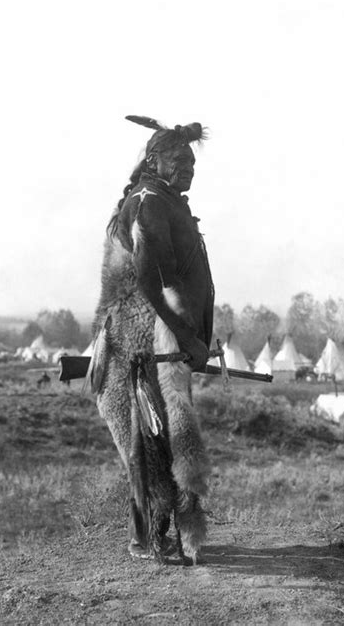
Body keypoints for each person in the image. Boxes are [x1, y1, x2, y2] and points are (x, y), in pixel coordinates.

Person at [91, 115, 215, 564]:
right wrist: (184, 334)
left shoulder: (166, 201)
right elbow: (146, 279)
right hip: (138, 345)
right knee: (150, 438)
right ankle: (151, 539)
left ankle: (165, 536)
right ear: (153, 160)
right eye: (178, 160)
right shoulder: (148, 202)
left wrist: (197, 337)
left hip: (162, 343)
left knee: (163, 435)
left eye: (192, 162)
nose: (188, 168)